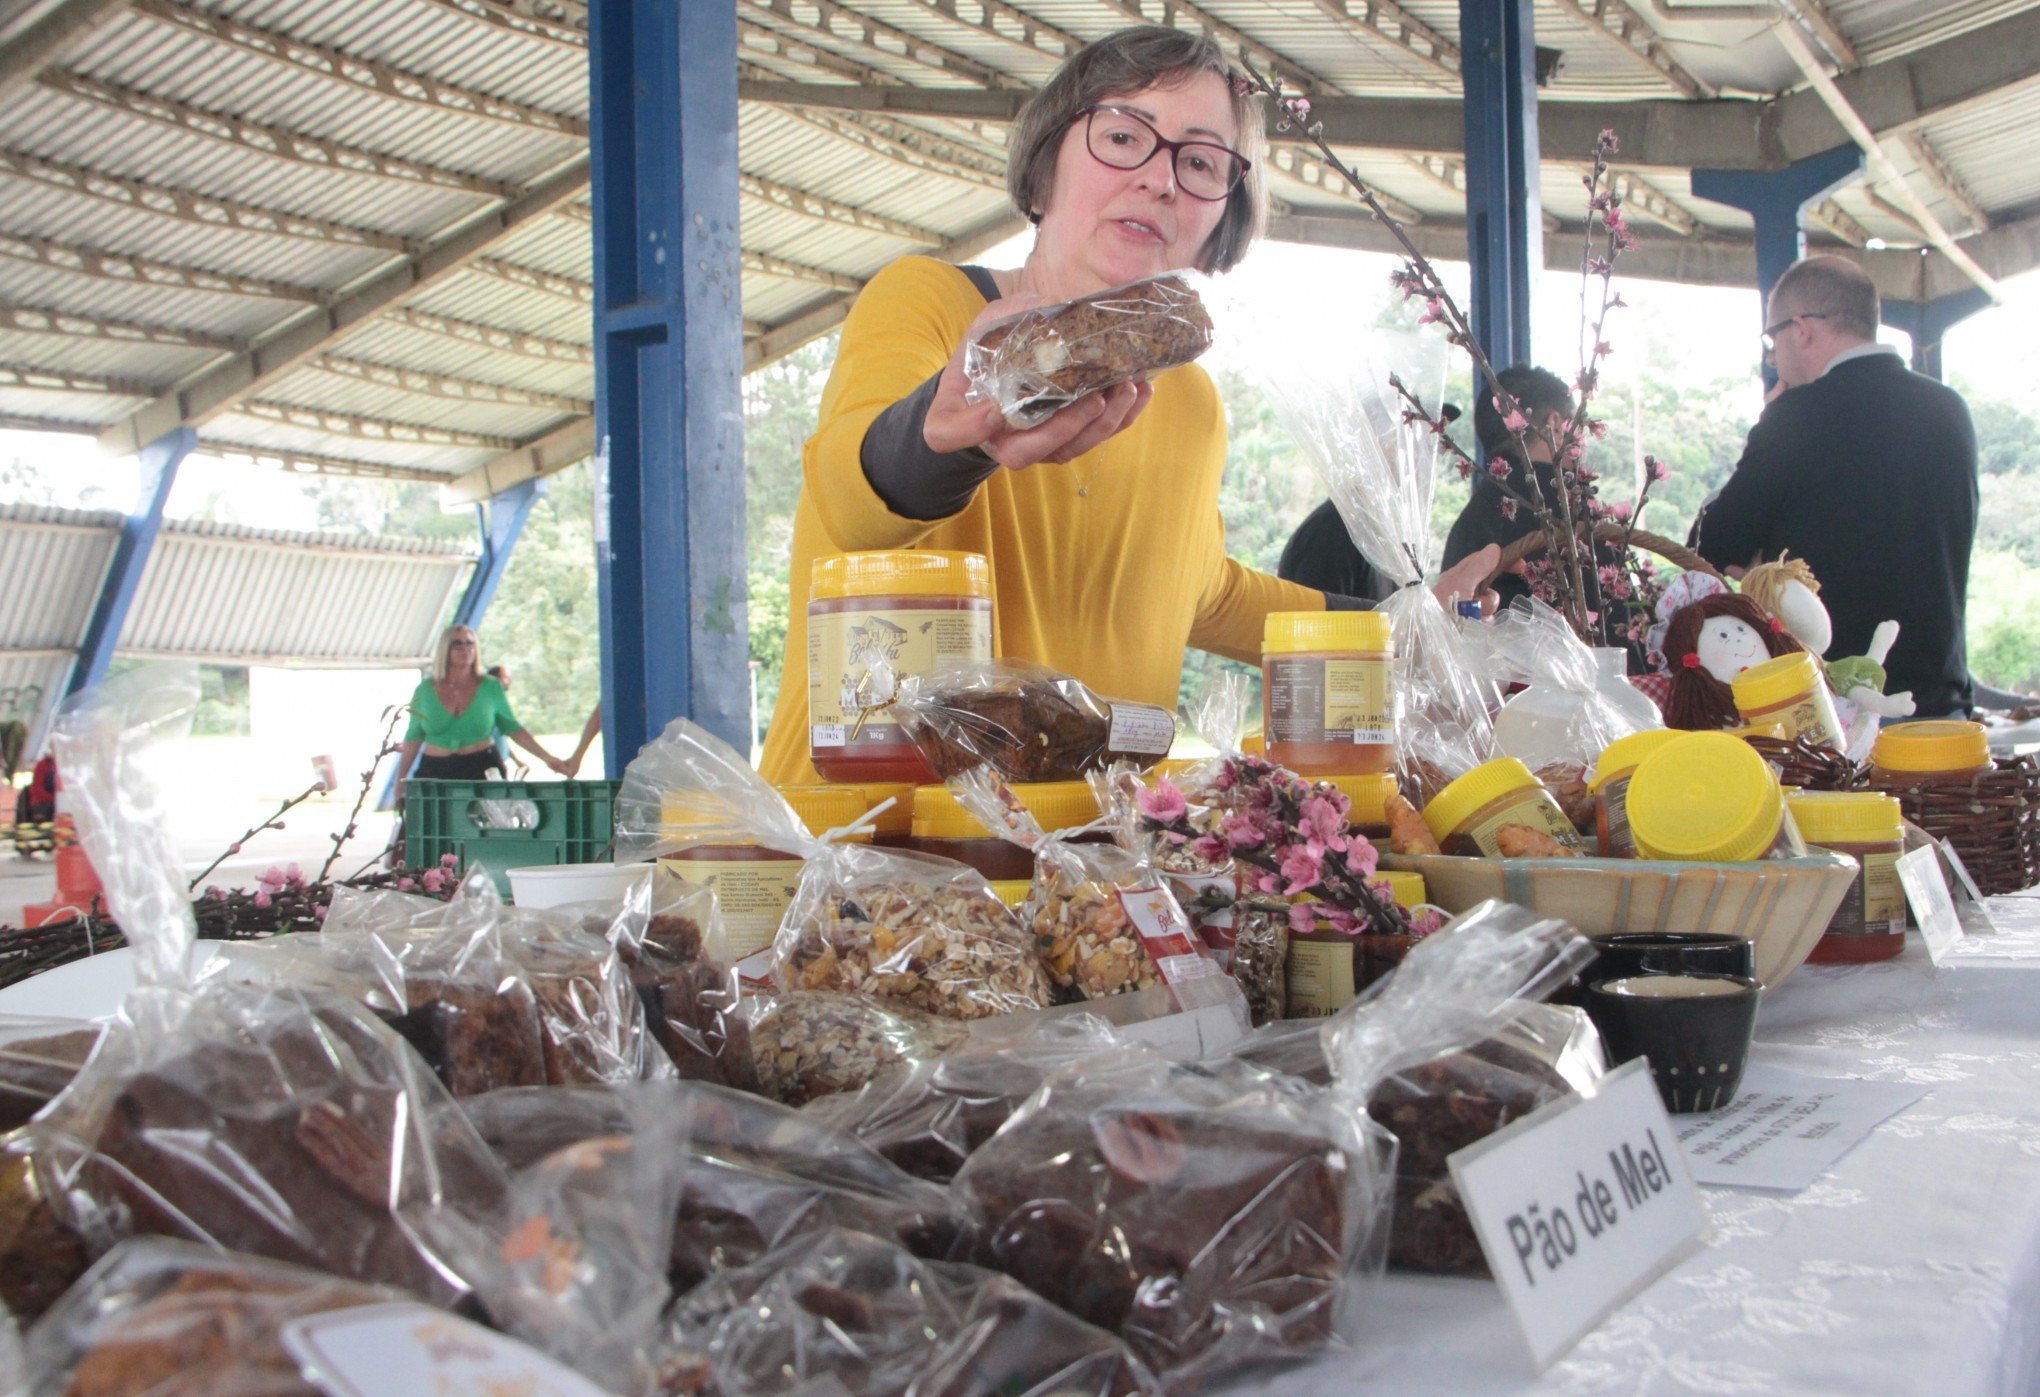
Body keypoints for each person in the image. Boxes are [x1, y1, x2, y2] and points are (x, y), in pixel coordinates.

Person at [756, 26, 1497, 783]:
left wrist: (1399, 620)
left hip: (1079, 862)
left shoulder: (1192, 405)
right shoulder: (931, 306)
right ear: (1044, 175)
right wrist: (954, 436)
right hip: (865, 850)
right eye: (1121, 136)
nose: (1161, 178)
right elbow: (854, 503)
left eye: (1201, 161)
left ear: (1218, 224)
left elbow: (1202, 590)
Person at [1691, 254, 1978, 718]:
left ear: (1802, 329)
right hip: (1939, 704)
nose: (1772, 355)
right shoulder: (1950, 410)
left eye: (1773, 338)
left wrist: (1772, 421)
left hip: (1832, 714)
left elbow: (1714, 546)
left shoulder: (1795, 417)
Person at [394, 626, 568, 804]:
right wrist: (400, 782)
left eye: (470, 643)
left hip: (482, 767)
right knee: (422, 829)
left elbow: (513, 728)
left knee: (491, 827)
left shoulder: (490, 686)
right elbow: (413, 737)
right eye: (458, 644)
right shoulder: (425, 690)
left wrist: (547, 757)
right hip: (434, 769)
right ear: (445, 650)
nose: (466, 649)